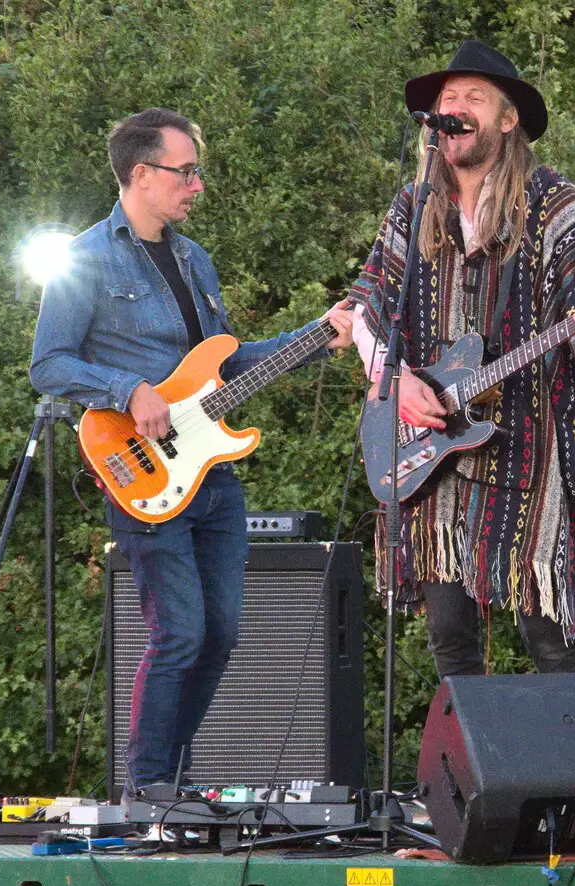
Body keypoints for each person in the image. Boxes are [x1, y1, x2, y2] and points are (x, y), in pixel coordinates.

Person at [29, 108, 353, 800]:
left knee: (221, 634)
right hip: (141, 474)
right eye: (185, 171)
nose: (197, 185)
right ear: (141, 175)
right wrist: (126, 387)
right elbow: (48, 364)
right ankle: (148, 784)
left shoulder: (192, 259)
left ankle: (172, 774)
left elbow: (229, 367)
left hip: (212, 476)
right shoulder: (85, 260)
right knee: (178, 632)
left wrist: (318, 335)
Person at [346, 40, 575, 677]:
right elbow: (365, 308)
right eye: (448, 99)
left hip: (531, 444)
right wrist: (395, 380)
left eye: (474, 97)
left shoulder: (554, 203)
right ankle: (469, 777)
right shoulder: (414, 205)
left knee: (547, 633)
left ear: (507, 119)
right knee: (449, 635)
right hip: (431, 439)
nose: (457, 108)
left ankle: (569, 773)